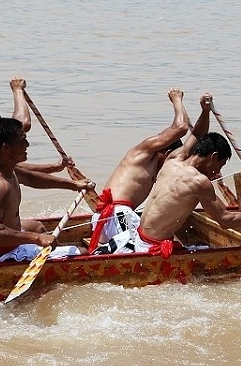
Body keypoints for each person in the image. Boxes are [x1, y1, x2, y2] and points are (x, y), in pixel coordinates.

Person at [0, 77, 77, 250]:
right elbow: (23, 123)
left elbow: (22, 172)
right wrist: (17, 90)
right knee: (38, 228)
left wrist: (55, 168)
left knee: (31, 225)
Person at [89, 88, 211, 253]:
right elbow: (181, 127)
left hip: (110, 220)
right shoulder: (142, 151)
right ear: (167, 153)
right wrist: (177, 99)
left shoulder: (158, 164)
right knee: (142, 248)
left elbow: (196, 136)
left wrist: (205, 111)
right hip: (116, 216)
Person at [135, 132, 241, 256]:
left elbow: (196, 132)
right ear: (213, 157)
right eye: (220, 165)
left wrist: (205, 111)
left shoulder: (173, 160)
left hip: (138, 238)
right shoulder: (199, 182)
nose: (217, 172)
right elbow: (225, 220)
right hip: (153, 248)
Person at [0, 118, 92, 263]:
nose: (27, 145)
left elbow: (30, 178)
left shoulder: (0, 165)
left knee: (38, 227)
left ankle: (49, 253)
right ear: (6, 148)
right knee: (83, 254)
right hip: (3, 256)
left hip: (6, 246)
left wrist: (74, 185)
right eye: (22, 140)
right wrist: (37, 239)